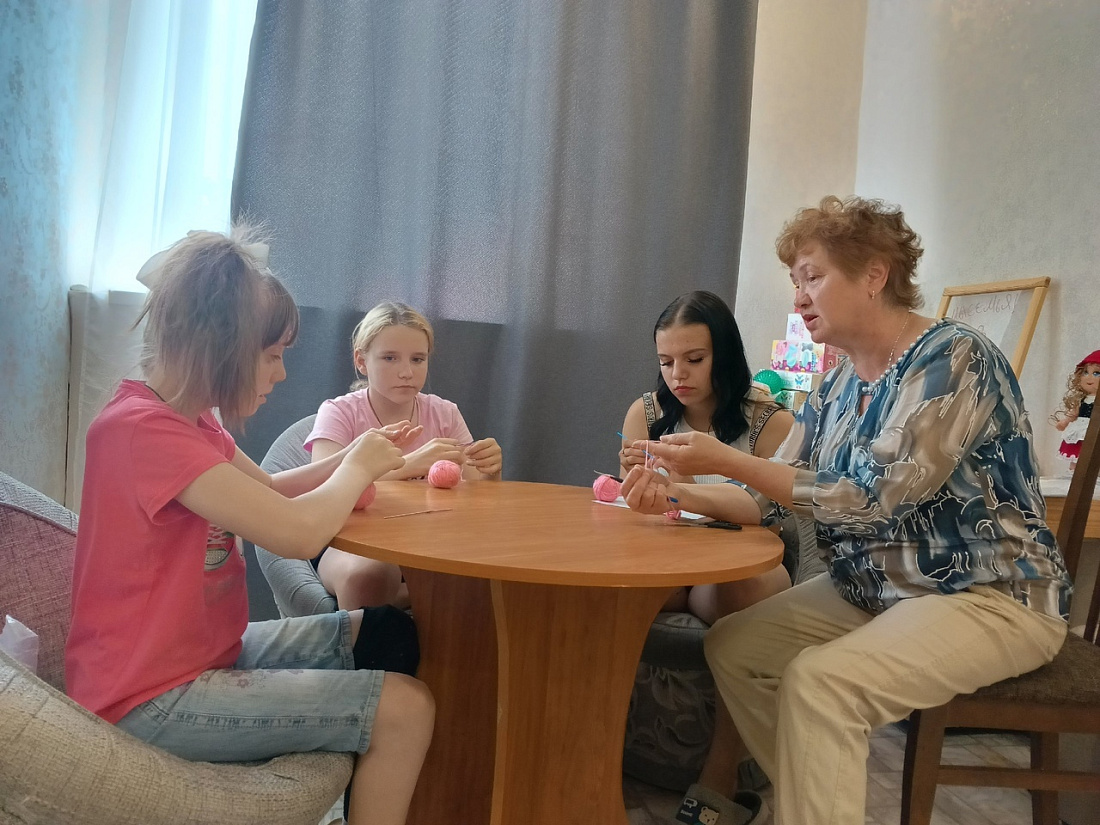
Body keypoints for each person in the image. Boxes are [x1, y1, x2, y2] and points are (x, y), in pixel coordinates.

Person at [623, 196, 1071, 825]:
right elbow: (769, 495)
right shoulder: (836, 383)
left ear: (874, 274)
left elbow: (871, 498)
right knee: (736, 647)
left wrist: (724, 460)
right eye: (795, 281)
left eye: (813, 276)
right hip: (879, 590)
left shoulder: (953, 358)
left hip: (990, 594)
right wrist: (674, 490)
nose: (799, 297)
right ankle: (817, 802)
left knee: (821, 685)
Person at [65, 228, 435, 825]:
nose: (281, 373)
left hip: (206, 657)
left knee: (389, 632)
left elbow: (270, 491)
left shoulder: (192, 421)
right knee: (406, 709)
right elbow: (294, 533)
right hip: (147, 698)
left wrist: (354, 455)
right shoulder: (140, 431)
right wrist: (357, 467)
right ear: (220, 347)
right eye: (272, 355)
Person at [306, 301, 503, 610]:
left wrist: (490, 473)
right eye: (389, 358)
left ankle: (415, 598)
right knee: (367, 575)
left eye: (418, 359)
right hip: (349, 541)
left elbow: (475, 498)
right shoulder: (339, 412)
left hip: (430, 542)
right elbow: (321, 488)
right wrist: (409, 464)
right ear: (361, 361)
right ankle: (411, 599)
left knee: (498, 565)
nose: (407, 372)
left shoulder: (445, 412)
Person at [619, 290, 794, 624]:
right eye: (666, 362)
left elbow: (770, 525)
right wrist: (635, 484)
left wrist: (681, 485)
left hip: (735, 564)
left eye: (695, 359)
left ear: (725, 356)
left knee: (745, 586)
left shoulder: (770, 423)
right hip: (662, 557)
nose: (677, 375)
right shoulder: (645, 413)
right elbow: (632, 521)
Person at [1051, 349, 1100, 472]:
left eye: (1096, 373)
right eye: (1085, 372)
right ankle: (1074, 473)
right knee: (1077, 454)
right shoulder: (1082, 399)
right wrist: (1065, 422)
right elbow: (1073, 414)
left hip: (1096, 430)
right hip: (1080, 430)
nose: (1089, 378)